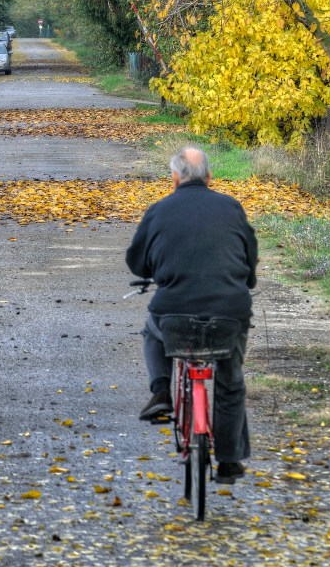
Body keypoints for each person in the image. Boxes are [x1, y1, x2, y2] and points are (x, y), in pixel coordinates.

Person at [125, 146, 258, 484]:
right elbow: (249, 257)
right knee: (230, 381)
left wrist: (156, 269)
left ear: (174, 178)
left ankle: (160, 392)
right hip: (229, 314)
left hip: (173, 315)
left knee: (152, 331)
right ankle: (229, 460)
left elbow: (137, 262)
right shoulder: (231, 208)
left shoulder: (159, 211)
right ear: (210, 177)